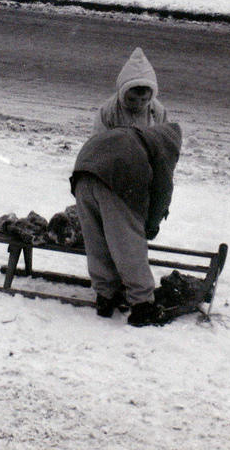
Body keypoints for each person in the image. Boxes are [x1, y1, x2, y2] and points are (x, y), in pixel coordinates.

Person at [69, 122, 182, 327]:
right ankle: (142, 305)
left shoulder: (131, 134)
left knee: (97, 241)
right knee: (128, 244)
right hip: (114, 178)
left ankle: (105, 296)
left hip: (83, 174)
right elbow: (162, 191)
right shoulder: (161, 148)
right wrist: (151, 224)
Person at [93, 47, 168, 134]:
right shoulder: (108, 111)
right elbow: (97, 138)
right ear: (122, 94)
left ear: (150, 97)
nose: (138, 105)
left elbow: (164, 137)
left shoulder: (157, 111)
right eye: (131, 99)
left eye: (144, 100)